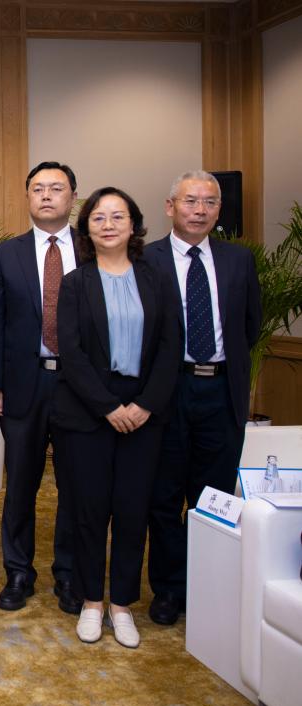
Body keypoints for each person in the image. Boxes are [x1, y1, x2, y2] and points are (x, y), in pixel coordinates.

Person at [53, 187, 180, 648]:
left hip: (144, 411)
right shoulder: (75, 283)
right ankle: (91, 601)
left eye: (117, 216)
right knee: (89, 512)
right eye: (98, 218)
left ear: (133, 225)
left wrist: (145, 404)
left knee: (132, 511)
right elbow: (71, 353)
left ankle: (122, 604)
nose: (108, 225)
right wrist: (107, 405)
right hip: (89, 412)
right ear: (86, 228)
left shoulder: (157, 279)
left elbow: (170, 347)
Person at [144, 171, 261, 626]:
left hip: (221, 391)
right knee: (164, 495)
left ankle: (205, 587)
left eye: (209, 202)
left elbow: (249, 326)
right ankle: (169, 589)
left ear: (218, 210)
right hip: (167, 390)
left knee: (212, 496)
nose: (200, 210)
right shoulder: (146, 259)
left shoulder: (239, 260)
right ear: (170, 206)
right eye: (190, 201)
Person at [0, 161, 82, 614]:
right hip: (23, 383)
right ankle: (18, 571)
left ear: (72, 197)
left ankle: (69, 574)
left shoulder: (93, 249)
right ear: (27, 197)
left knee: (76, 485)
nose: (46, 196)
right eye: (37, 189)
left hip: (81, 386)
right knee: (20, 483)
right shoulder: (6, 254)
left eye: (55, 188)